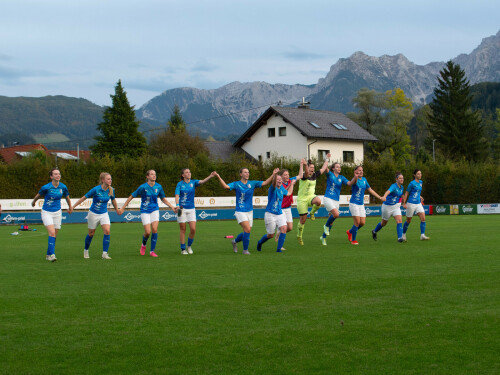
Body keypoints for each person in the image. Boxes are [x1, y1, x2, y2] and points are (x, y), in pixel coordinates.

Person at [214, 167, 278, 254]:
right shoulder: (236, 184)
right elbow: (225, 186)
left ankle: (234, 241)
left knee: (246, 231)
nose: (247, 174)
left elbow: (265, 183)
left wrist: (273, 174)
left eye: (248, 172)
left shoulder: (252, 183)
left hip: (249, 211)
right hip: (240, 211)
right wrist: (218, 177)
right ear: (241, 174)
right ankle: (245, 250)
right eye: (245, 172)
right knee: (247, 229)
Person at [119, 170, 177, 257]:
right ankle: (144, 244)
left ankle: (152, 251)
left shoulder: (159, 186)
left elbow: (163, 199)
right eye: (152, 174)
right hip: (145, 210)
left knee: (154, 230)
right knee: (148, 232)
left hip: (155, 210)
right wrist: (123, 207)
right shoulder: (143, 187)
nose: (154, 176)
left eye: (155, 174)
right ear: (147, 176)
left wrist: (172, 207)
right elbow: (132, 196)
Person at [72, 172, 119, 259]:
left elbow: (113, 200)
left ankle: (104, 254)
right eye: (108, 179)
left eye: (111, 179)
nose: (110, 180)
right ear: (102, 180)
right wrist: (73, 207)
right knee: (91, 233)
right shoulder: (96, 189)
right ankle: (86, 250)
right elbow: (84, 198)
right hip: (93, 214)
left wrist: (117, 210)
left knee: (107, 231)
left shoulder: (111, 190)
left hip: (104, 214)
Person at [31, 168, 73, 262]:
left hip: (58, 213)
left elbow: (67, 197)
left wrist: (70, 207)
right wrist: (34, 201)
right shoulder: (46, 187)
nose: (58, 175)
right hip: (47, 212)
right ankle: (52, 255)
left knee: (54, 235)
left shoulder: (63, 187)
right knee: (52, 233)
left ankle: (48, 254)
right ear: (51, 176)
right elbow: (39, 195)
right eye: (55, 174)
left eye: (59, 174)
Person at [175, 169, 216, 255]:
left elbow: (202, 181)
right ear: (183, 175)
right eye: (186, 172)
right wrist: (177, 205)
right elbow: (177, 195)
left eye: (189, 172)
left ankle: (189, 246)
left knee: (193, 229)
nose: (189, 173)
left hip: (191, 209)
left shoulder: (193, 182)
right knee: (183, 229)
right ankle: (183, 249)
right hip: (181, 209)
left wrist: (210, 176)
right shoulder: (180, 184)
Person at [256, 172, 296, 252]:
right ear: (274, 181)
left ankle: (278, 249)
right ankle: (260, 242)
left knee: (284, 228)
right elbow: (274, 184)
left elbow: (288, 193)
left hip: (279, 213)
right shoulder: (272, 188)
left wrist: (292, 184)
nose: (279, 181)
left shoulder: (281, 188)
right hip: (270, 214)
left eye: (280, 179)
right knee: (271, 235)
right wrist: (274, 174)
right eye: (277, 179)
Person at [320, 162, 357, 246]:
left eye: (340, 167)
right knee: (336, 214)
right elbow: (325, 168)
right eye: (337, 167)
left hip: (336, 201)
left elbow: (350, 184)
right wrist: (327, 159)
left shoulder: (341, 177)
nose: (339, 168)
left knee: (332, 222)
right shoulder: (330, 174)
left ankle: (323, 237)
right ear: (333, 168)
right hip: (328, 198)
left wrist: (355, 176)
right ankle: (325, 226)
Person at [346, 165, 385, 245]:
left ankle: (350, 232)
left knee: (362, 223)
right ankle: (354, 240)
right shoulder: (355, 179)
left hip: (361, 204)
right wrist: (355, 176)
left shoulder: (364, 180)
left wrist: (379, 197)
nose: (361, 172)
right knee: (357, 222)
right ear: (355, 172)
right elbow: (352, 182)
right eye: (359, 170)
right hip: (354, 204)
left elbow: (370, 190)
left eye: (362, 170)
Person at [296, 156, 330, 245]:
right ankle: (299, 236)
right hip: (302, 199)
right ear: (307, 167)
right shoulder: (304, 175)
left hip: (311, 196)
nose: (312, 169)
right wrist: (304, 165)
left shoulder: (315, 175)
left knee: (318, 201)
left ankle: (311, 213)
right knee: (302, 221)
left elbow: (323, 168)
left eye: (313, 168)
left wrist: (327, 159)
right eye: (311, 167)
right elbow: (306, 173)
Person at [371, 172, 405, 242]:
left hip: (396, 207)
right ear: (396, 179)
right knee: (384, 223)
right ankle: (374, 231)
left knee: (399, 220)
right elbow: (388, 191)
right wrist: (384, 197)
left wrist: (404, 203)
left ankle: (400, 238)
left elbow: (402, 195)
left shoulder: (402, 187)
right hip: (387, 207)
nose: (402, 179)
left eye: (402, 178)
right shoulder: (393, 186)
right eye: (400, 178)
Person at [273, 168, 300, 250]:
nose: (287, 176)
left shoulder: (290, 180)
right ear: (281, 176)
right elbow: (287, 192)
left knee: (290, 228)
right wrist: (291, 185)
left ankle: (279, 231)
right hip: (281, 208)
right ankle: (280, 246)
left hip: (288, 208)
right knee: (284, 228)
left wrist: (302, 164)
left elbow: (300, 175)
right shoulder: (280, 184)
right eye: (285, 175)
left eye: (288, 174)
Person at [402, 169, 430, 241]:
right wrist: (404, 203)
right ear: (414, 175)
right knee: (408, 220)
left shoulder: (421, 182)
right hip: (411, 203)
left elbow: (417, 192)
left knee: (423, 218)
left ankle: (422, 235)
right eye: (418, 174)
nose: (420, 175)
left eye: (420, 173)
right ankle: (403, 235)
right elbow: (407, 193)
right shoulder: (411, 183)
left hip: (418, 203)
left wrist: (420, 197)